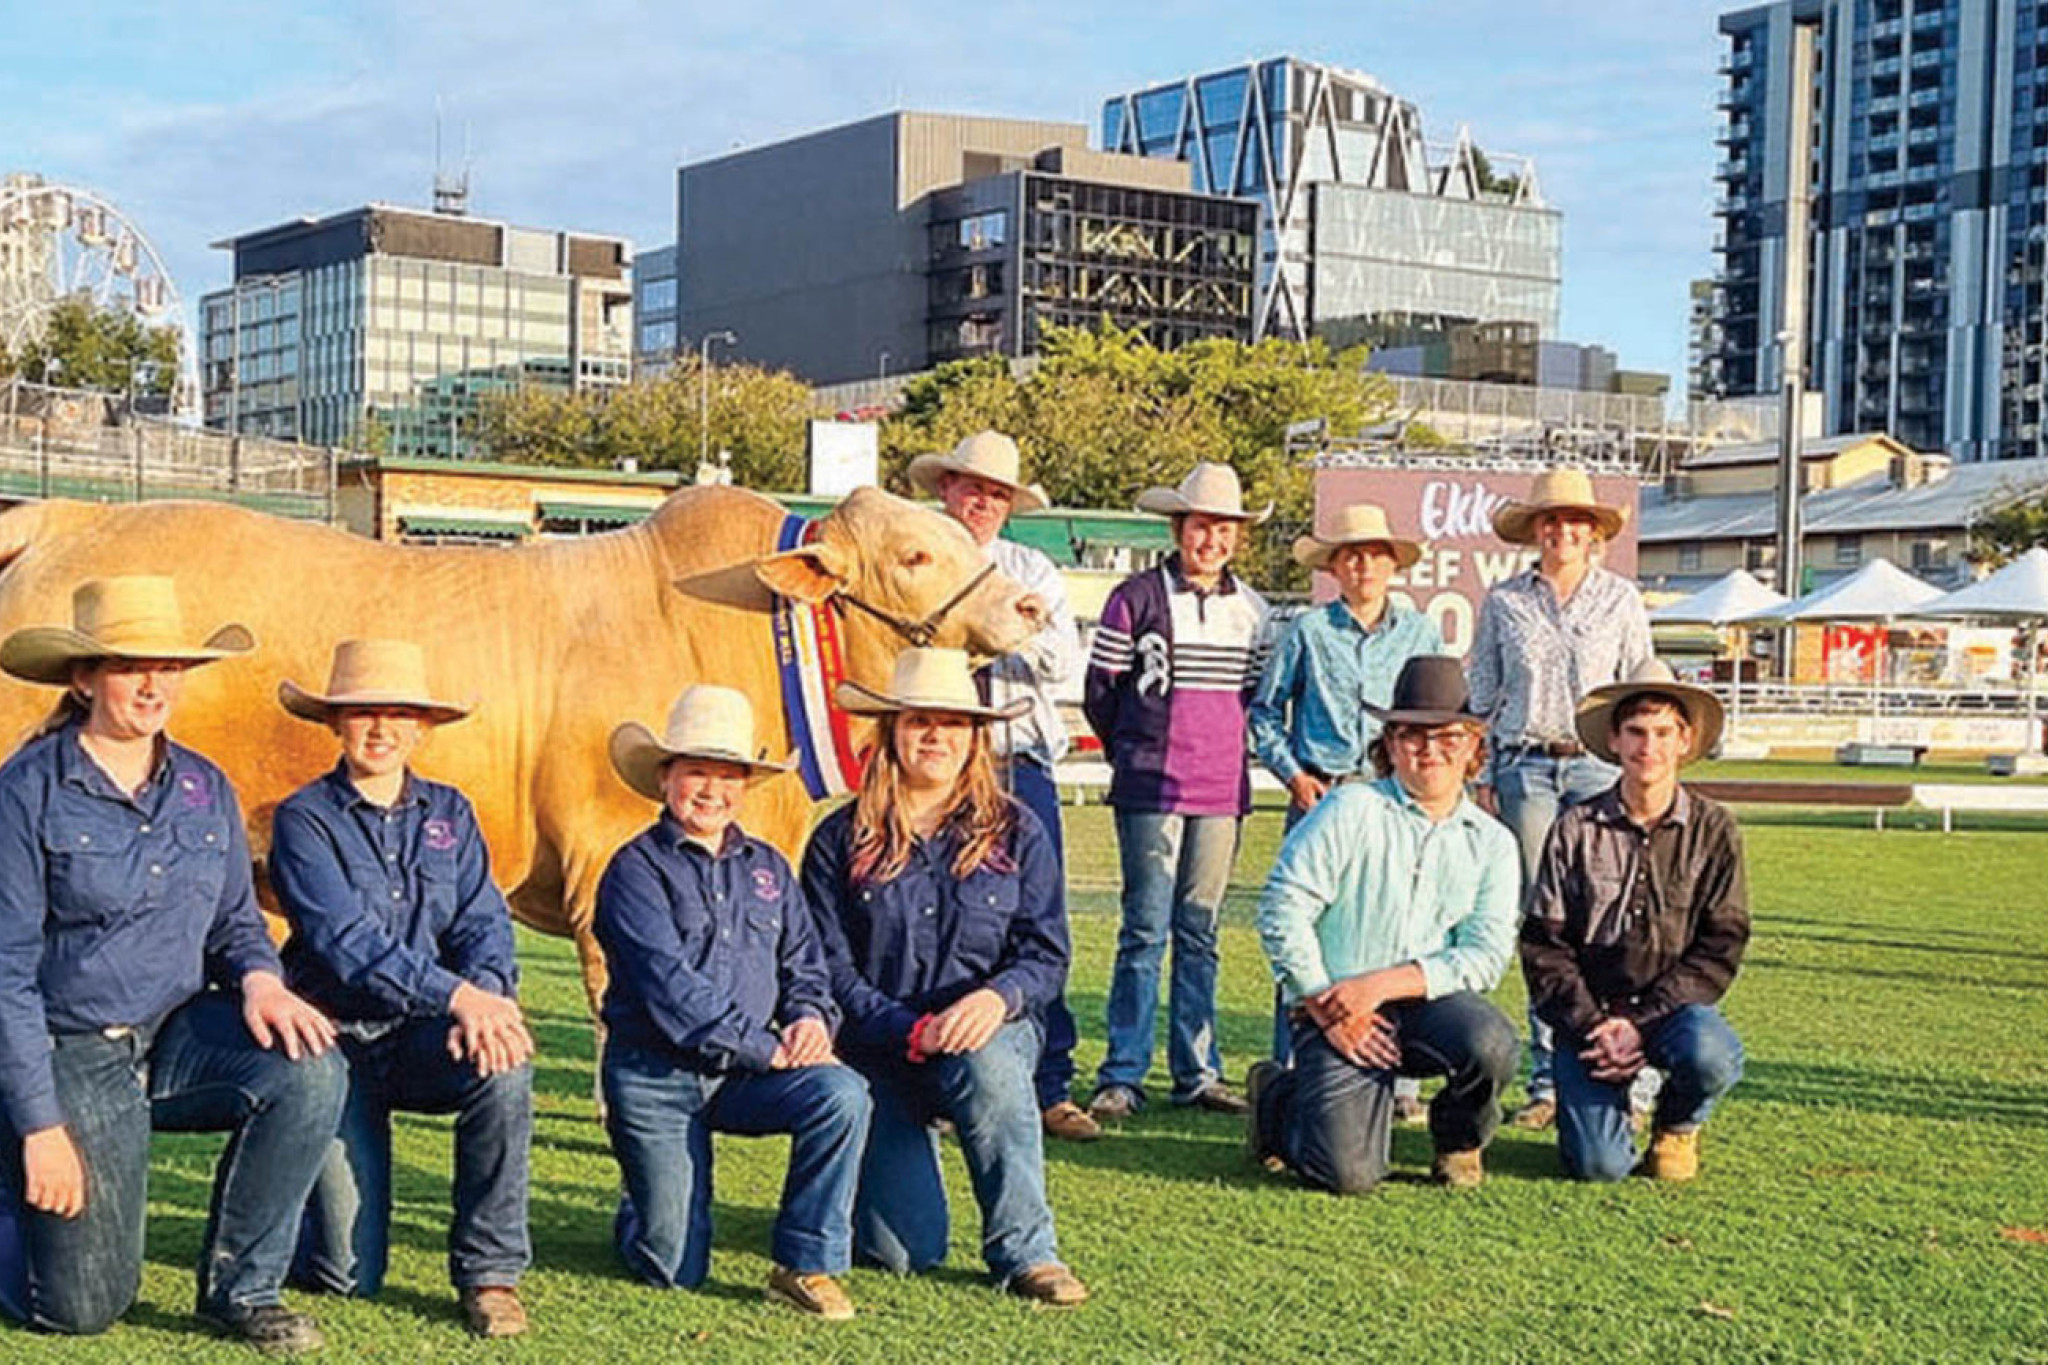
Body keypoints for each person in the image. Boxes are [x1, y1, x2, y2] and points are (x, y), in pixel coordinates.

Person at [0, 576, 344, 1354]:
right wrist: (40, 1126)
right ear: (84, 677)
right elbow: (5, 971)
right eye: (130, 665)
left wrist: (261, 977)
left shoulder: (203, 786)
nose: (154, 684)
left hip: (178, 1031)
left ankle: (243, 1289)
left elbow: (234, 922)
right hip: (71, 1046)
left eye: (169, 667)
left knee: (310, 1067)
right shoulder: (25, 792)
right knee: (82, 1308)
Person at [801, 646, 1086, 1306]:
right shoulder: (838, 839)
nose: (936, 735)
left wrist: (997, 997)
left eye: (953, 722)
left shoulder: (1019, 830)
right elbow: (825, 969)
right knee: (904, 1252)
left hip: (989, 1034)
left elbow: (1046, 953)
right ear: (892, 731)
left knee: (991, 1064)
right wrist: (908, 1028)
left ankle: (1027, 1252)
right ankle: (867, 1179)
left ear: (975, 736)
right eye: (919, 720)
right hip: (880, 1048)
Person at [270, 639, 534, 1338]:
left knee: (504, 1060)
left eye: (397, 714)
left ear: (422, 726)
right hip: (336, 1043)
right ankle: (296, 1207)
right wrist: (460, 997)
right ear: (334, 723)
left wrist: (486, 997)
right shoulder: (303, 819)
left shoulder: (453, 812)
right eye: (362, 713)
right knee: (345, 1274)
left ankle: (490, 1274)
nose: (381, 729)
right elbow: (346, 944)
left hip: (425, 1034)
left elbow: (485, 922)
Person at [595, 685, 870, 1319]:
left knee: (842, 1093)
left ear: (746, 784)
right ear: (666, 778)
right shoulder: (633, 871)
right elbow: (670, 991)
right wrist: (767, 1047)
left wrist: (809, 1019)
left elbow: (807, 965)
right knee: (672, 1267)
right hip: (656, 1075)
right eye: (697, 771)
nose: (712, 790)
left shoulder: (770, 867)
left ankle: (805, 1263)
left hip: (746, 1076)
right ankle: (644, 1202)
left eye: (728, 775)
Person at [1247, 656, 1521, 1193]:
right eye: (1412, 736)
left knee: (1490, 1041)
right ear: (1389, 745)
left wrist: (1381, 985)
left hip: (1427, 1006)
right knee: (1346, 1176)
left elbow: (1485, 955)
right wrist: (1325, 1001)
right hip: (1332, 1002)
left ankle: (1458, 1140)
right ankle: (1276, 1101)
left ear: (1472, 747)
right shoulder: (1349, 809)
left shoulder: (1493, 842)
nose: (1429, 751)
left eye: (1446, 737)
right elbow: (1284, 906)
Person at [909, 430, 1096, 1143]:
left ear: (1010, 504)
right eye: (971, 487)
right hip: (932, 764)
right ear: (946, 490)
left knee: (1035, 920)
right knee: (928, 921)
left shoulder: (1031, 568)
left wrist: (989, 626)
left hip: (1016, 760)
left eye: (996, 493)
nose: (982, 501)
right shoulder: (916, 562)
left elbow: (1060, 664)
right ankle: (935, 1075)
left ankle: (1048, 1083)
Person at [1464, 466, 1654, 1131]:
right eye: (1551, 519)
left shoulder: (1621, 599)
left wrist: (1642, 771)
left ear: (1593, 531)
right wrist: (1479, 774)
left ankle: (1612, 1065)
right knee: (1543, 922)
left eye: (1575, 520)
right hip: (1526, 766)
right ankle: (1548, 1078)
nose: (1562, 530)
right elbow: (1481, 695)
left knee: (1607, 919)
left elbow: (1641, 692)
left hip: (1599, 770)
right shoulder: (1504, 601)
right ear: (1535, 530)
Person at [1085, 461, 1270, 1121]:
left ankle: (1198, 1070)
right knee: (1143, 928)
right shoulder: (1132, 598)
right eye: (1201, 525)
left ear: (1237, 536)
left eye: (1223, 528)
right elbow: (1100, 692)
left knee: (1202, 929)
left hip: (1222, 788)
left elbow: (1252, 697)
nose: (1211, 540)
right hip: (1150, 785)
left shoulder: (1255, 611)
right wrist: (1134, 751)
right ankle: (1123, 1072)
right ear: (1178, 526)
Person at [1521, 660, 1748, 1183]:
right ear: (1616, 742)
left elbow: (1723, 943)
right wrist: (1597, 1026)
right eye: (1637, 733)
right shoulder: (1575, 828)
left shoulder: (1716, 830)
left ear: (1685, 741)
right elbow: (1544, 945)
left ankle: (1678, 1124)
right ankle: (1602, 1116)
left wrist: (1640, 1022)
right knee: (1601, 1167)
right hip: (1590, 1019)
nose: (1650, 747)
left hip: (1674, 1014)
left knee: (1711, 1052)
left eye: (1664, 733)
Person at [1250, 501, 1444, 1096]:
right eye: (1351, 555)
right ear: (1335, 567)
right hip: (1322, 793)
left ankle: (1399, 1075)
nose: (1363, 566)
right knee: (1304, 926)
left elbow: (1436, 716)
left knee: (1402, 927)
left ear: (1391, 566)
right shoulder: (1308, 630)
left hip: (1395, 796)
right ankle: (1295, 1069)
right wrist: (1294, 777)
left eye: (1374, 556)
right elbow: (1263, 712)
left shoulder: (1420, 633)